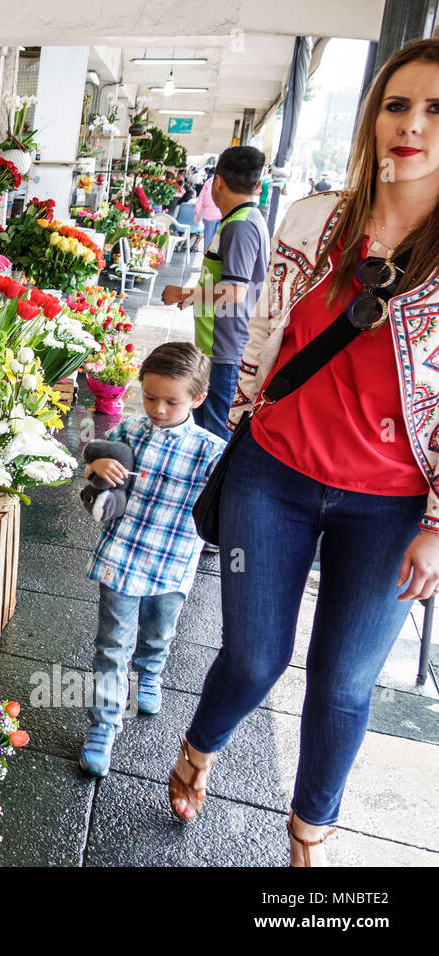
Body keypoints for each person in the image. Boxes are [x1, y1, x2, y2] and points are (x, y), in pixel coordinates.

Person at [166, 38, 439, 867]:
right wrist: (237, 414)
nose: (412, 126)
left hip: (392, 506)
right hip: (272, 473)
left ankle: (308, 833)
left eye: (437, 110)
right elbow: (260, 333)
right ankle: (199, 746)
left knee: (345, 684)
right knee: (253, 655)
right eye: (397, 104)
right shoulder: (313, 220)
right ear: (372, 116)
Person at [78, 343, 227, 777]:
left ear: (197, 399)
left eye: (171, 401)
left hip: (174, 560)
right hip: (122, 554)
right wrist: (98, 468)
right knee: (110, 647)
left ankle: (149, 670)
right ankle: (104, 725)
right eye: (149, 397)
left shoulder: (210, 451)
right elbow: (93, 468)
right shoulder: (128, 432)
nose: (158, 408)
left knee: (160, 632)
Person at [160, 145, 270, 441]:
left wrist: (184, 295)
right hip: (216, 345)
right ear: (258, 185)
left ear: (217, 182)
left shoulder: (241, 226)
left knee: (215, 434)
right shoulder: (237, 221)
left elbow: (235, 292)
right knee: (205, 426)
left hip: (228, 349)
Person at [193, 167, 223, 252]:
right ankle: (211, 259)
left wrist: (198, 213)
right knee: (217, 240)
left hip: (210, 215)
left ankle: (206, 259)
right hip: (221, 214)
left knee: (208, 239)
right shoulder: (228, 182)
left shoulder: (210, 181)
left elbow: (201, 197)